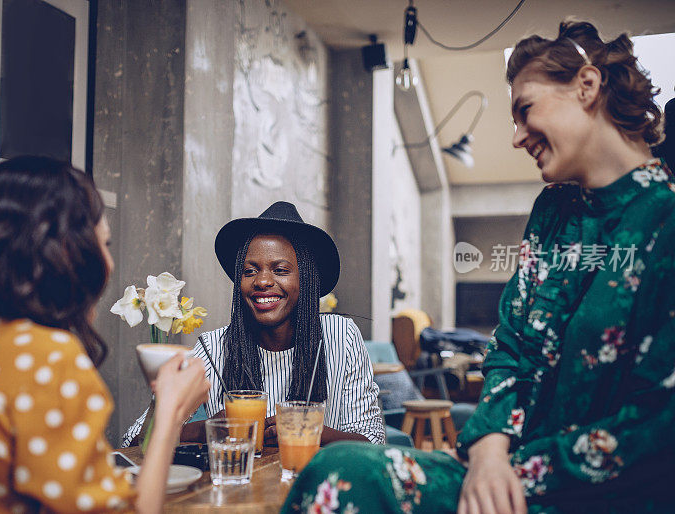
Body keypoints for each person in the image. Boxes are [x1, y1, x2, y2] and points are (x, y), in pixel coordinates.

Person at [281, 20, 675, 514]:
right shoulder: (554, 212)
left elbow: (660, 422)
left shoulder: (665, 220)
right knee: (341, 471)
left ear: (587, 86)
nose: (515, 137)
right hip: (496, 465)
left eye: (525, 110)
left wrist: (519, 471)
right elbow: (512, 344)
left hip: (602, 491)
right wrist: (489, 451)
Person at [0, 157, 210, 513]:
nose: (109, 265)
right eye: (104, 246)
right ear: (69, 254)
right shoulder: (45, 359)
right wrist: (170, 414)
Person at [122, 201, 385, 447]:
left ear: (305, 280)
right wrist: (203, 429)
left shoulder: (340, 336)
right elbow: (133, 441)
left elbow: (374, 441)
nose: (262, 281)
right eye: (249, 271)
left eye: (280, 270)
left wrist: (312, 431)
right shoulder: (214, 349)